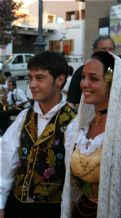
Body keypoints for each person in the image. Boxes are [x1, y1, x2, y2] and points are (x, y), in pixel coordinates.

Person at [61, 51, 121, 218]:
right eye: (83, 77)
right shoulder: (77, 128)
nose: (84, 83)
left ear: (111, 81)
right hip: (79, 211)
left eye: (93, 79)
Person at [0, 51, 76, 218]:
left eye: (40, 78)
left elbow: (73, 181)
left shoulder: (72, 122)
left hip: (51, 211)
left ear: (60, 80)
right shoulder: (24, 117)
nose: (32, 84)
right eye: (30, 77)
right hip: (16, 207)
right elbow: (6, 161)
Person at [67, 35, 115, 111]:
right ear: (94, 50)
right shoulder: (82, 71)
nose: (108, 52)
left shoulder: (119, 72)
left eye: (110, 49)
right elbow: (71, 103)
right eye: (103, 49)